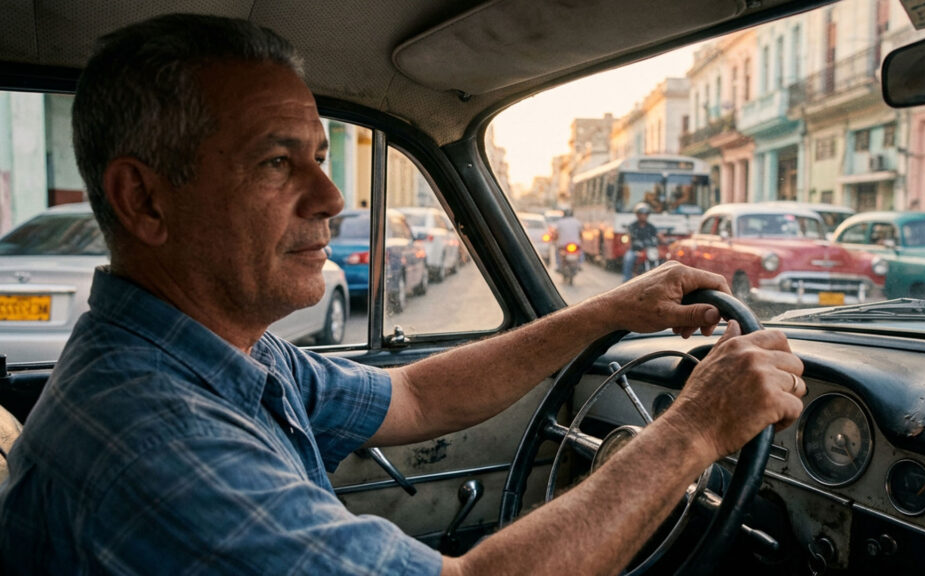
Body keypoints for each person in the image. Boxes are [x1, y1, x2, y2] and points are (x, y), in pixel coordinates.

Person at [0, 14, 805, 575]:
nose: (330, 197)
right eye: (277, 162)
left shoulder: (217, 353)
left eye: (320, 156)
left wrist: (610, 310)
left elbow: (415, 394)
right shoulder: (155, 438)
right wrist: (694, 429)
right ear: (145, 201)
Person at [621, 202, 665, 282]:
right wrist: (630, 243)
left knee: (662, 258)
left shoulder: (650, 226)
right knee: (628, 258)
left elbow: (658, 235)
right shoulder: (632, 226)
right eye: (642, 214)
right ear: (637, 215)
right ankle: (626, 280)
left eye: (646, 214)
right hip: (635, 250)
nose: (644, 216)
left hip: (648, 250)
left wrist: (662, 239)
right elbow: (628, 236)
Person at [551, 207, 583, 272]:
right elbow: (580, 234)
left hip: (563, 244)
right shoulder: (577, 222)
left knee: (557, 252)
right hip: (575, 244)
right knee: (581, 252)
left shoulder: (560, 222)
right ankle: (579, 264)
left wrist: (555, 240)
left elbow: (556, 234)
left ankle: (559, 266)